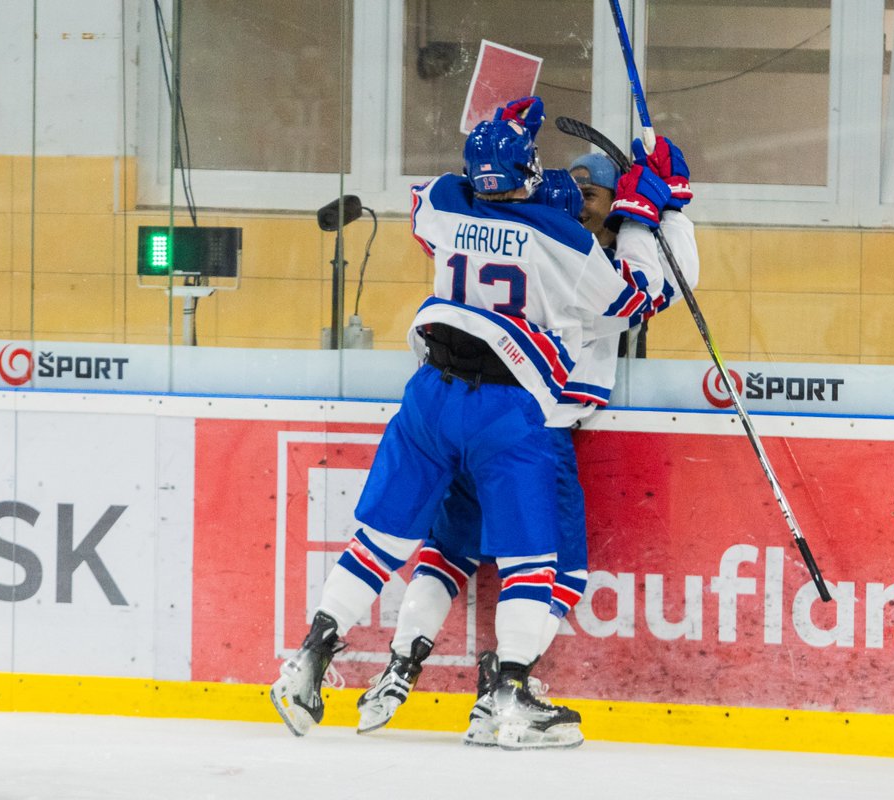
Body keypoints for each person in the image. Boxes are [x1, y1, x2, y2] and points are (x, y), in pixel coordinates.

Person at [270, 94, 687, 749]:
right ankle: (513, 698)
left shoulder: (440, 199)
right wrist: (644, 213)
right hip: (508, 408)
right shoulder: (565, 240)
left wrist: (523, 179)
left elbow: (456, 198)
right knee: (530, 563)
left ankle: (306, 661)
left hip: (429, 396)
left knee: (381, 542)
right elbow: (638, 299)